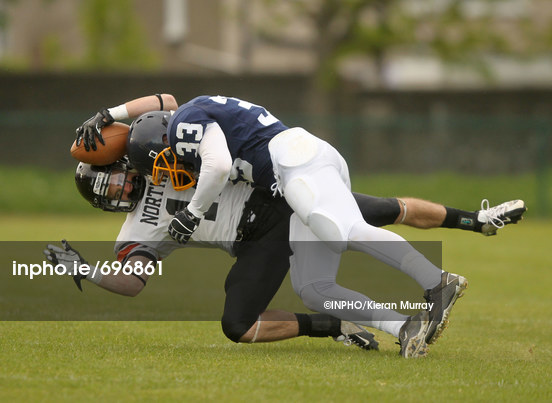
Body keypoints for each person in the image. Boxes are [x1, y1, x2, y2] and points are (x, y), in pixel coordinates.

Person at [70, 95, 526, 357]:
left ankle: (473, 225)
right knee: (241, 323)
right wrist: (85, 270)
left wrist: (109, 115)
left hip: (278, 188)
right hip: (258, 236)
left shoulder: (166, 144)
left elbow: (168, 107)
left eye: (115, 180)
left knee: (381, 211)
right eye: (107, 194)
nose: (120, 189)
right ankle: (349, 325)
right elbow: (132, 283)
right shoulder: (136, 226)